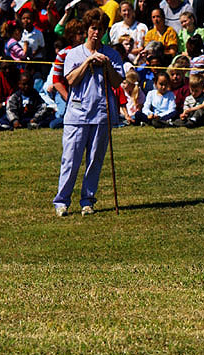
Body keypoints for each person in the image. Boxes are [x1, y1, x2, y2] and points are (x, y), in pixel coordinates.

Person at [53, 8, 124, 217]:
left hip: (102, 113)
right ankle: (62, 201)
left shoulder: (112, 54)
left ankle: (87, 201)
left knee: (95, 159)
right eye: (93, 28)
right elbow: (71, 80)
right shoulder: (73, 53)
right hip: (77, 113)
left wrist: (107, 65)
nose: (96, 32)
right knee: (71, 159)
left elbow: (117, 81)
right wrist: (87, 62)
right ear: (87, 29)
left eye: (100, 29)